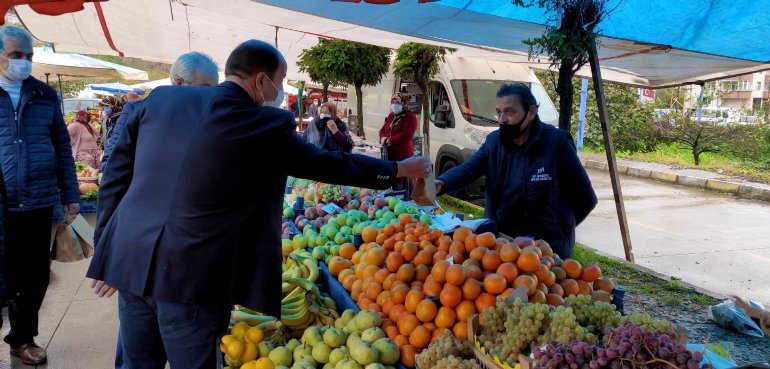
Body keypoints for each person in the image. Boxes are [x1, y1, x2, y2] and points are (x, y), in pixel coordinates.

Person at [86, 39, 428, 368]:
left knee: (134, 363)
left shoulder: (158, 101)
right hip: (191, 277)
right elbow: (330, 164)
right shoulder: (265, 123)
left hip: (130, 258)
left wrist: (105, 248)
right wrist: (396, 169)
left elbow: (115, 177)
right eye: (279, 82)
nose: (279, 92)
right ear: (262, 81)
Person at [433, 83, 597, 259]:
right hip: (503, 243)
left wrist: (561, 230)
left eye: (510, 112)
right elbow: (468, 169)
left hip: (547, 250)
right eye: (499, 112)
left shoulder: (557, 143)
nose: (502, 119)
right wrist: (442, 182)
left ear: (531, 113)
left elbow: (586, 198)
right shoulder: (494, 142)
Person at [0, 26, 80, 366]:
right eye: (16, 55)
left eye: (29, 56)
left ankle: (22, 339)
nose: (24, 62)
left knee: (34, 274)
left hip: (38, 198)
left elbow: (63, 147)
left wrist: (71, 193)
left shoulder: (44, 95)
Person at [101, 51, 219, 171]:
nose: (212, 97)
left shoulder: (210, 122)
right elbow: (110, 166)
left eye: (216, 91)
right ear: (180, 83)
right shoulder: (136, 113)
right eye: (205, 89)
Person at [379, 93, 418, 192]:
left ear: (404, 103)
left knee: (403, 187)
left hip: (404, 156)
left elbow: (406, 135)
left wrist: (389, 141)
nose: (394, 104)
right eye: (393, 102)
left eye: (398, 102)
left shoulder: (410, 117)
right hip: (390, 155)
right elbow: (382, 130)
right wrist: (382, 138)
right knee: (392, 184)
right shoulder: (391, 115)